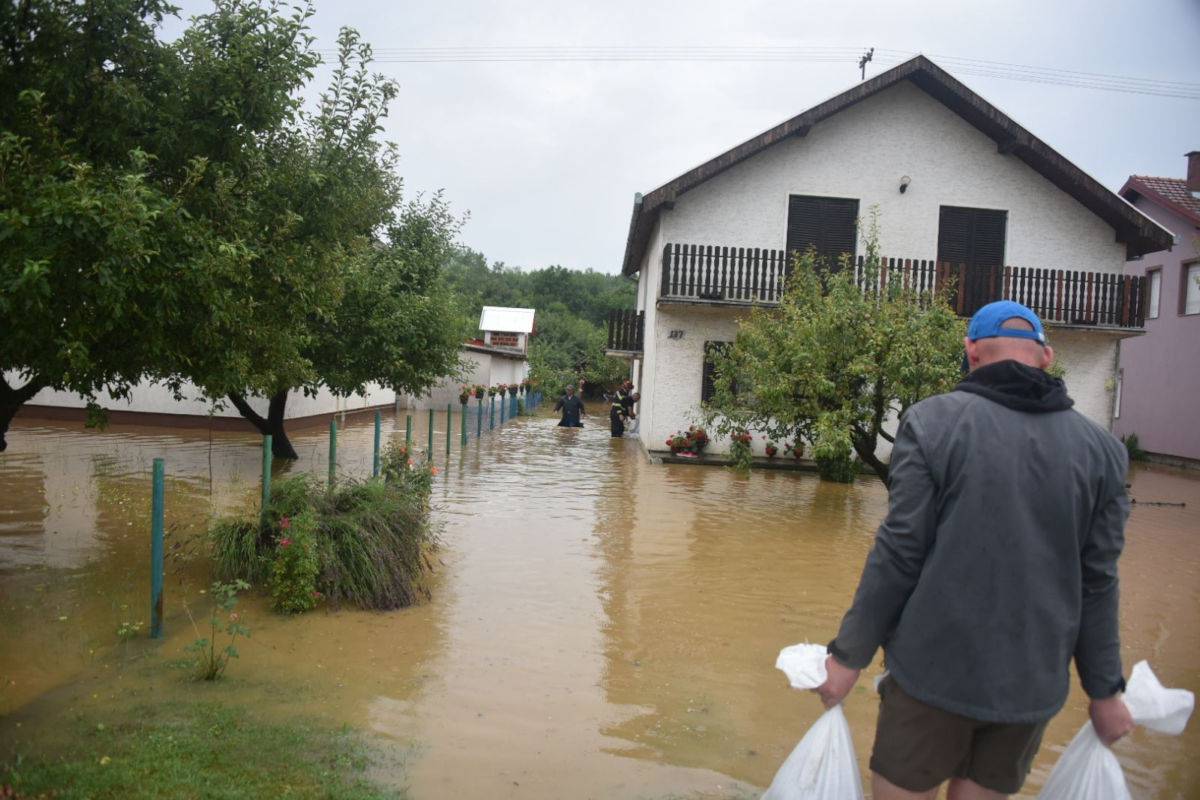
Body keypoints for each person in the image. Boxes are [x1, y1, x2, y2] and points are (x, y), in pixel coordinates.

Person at [816, 300, 1132, 800]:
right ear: (1047, 355)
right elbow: (1098, 581)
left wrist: (846, 658)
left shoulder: (931, 422)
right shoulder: (1104, 451)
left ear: (970, 352)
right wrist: (1106, 690)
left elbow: (900, 552)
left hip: (929, 677)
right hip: (1030, 687)